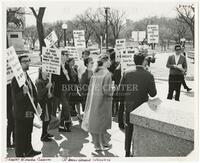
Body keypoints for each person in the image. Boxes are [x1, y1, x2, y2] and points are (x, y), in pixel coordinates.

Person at [119, 52, 157, 157]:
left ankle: (127, 152)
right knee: (141, 131)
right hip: (142, 108)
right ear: (144, 61)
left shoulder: (126, 72)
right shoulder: (148, 74)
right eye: (146, 59)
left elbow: (120, 91)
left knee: (128, 130)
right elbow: (153, 93)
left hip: (129, 106)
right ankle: (138, 152)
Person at [81, 54, 114, 151]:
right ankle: (100, 145)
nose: (110, 62)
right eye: (109, 60)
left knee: (95, 123)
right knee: (101, 124)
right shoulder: (106, 74)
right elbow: (107, 91)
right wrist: (113, 88)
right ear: (104, 61)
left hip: (93, 101)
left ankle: (98, 144)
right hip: (102, 102)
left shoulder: (95, 73)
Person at [11, 55, 41, 157]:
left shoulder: (26, 75)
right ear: (19, 64)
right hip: (21, 113)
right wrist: (23, 93)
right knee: (20, 134)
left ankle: (29, 150)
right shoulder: (16, 79)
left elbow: (33, 92)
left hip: (30, 110)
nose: (27, 63)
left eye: (28, 60)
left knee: (28, 132)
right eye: (24, 61)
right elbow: (15, 98)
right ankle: (19, 154)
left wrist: (36, 105)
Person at [52, 50, 72, 132]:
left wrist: (67, 74)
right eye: (66, 55)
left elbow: (69, 78)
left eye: (68, 54)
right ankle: (52, 124)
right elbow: (53, 78)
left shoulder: (67, 65)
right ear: (61, 55)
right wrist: (62, 73)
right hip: (57, 89)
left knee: (65, 107)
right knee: (54, 108)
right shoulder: (56, 65)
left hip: (66, 89)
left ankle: (63, 124)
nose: (67, 56)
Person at [35, 68, 54, 142]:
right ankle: (43, 136)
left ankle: (46, 133)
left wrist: (50, 94)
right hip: (43, 103)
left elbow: (50, 92)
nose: (48, 72)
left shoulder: (48, 80)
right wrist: (47, 87)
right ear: (41, 72)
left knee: (48, 118)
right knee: (45, 119)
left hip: (48, 102)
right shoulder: (39, 82)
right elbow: (39, 94)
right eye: (46, 70)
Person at [7, 83, 15, 148]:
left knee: (14, 125)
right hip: (9, 108)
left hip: (13, 107)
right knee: (10, 125)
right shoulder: (7, 85)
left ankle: (15, 141)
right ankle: (8, 142)